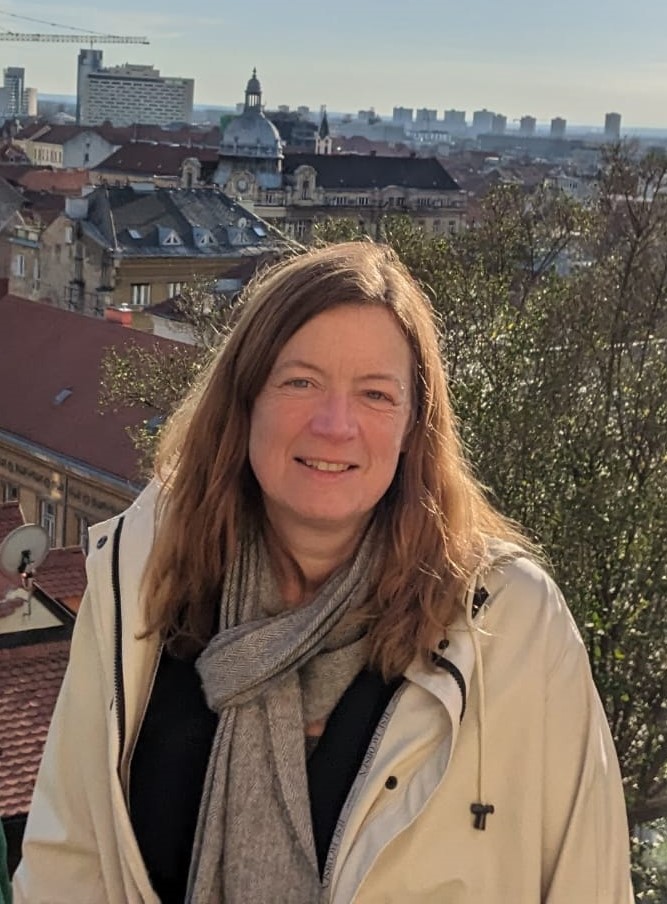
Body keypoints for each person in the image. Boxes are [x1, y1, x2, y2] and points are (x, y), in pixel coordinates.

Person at [14, 241, 633, 903]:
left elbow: (589, 884)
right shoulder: (142, 577)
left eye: (375, 394)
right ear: (245, 400)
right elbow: (67, 862)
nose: (335, 425)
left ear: (413, 427)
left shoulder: (512, 623)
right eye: (300, 382)